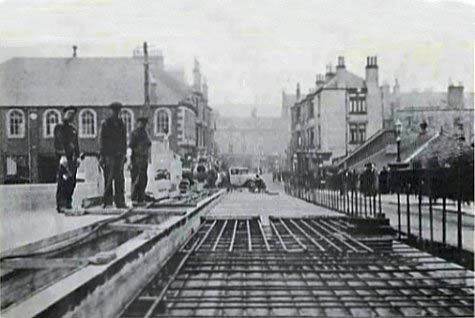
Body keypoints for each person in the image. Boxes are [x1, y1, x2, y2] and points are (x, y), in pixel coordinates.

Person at [99, 102, 128, 209]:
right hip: (109, 155)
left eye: (118, 111)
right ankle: (107, 202)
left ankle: (120, 202)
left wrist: (124, 154)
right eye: (114, 111)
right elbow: (102, 141)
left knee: (120, 179)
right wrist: (102, 156)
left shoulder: (122, 124)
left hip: (119, 155)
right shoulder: (106, 124)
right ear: (110, 111)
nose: (116, 113)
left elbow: (124, 140)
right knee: (108, 178)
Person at [54, 106, 80, 213]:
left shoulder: (73, 129)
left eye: (73, 114)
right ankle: (61, 204)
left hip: (72, 159)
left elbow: (76, 144)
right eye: (69, 114)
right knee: (63, 181)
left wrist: (77, 157)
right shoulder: (59, 128)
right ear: (64, 114)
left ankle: (68, 202)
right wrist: (63, 155)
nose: (71, 116)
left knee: (71, 181)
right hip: (64, 158)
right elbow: (59, 142)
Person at [128, 116, 151, 206]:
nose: (143, 125)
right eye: (141, 123)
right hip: (136, 159)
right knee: (136, 179)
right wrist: (130, 160)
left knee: (143, 178)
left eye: (144, 124)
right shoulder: (134, 134)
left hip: (143, 159)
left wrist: (149, 158)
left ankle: (141, 197)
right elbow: (130, 147)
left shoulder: (145, 134)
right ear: (138, 123)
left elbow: (149, 145)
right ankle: (134, 198)